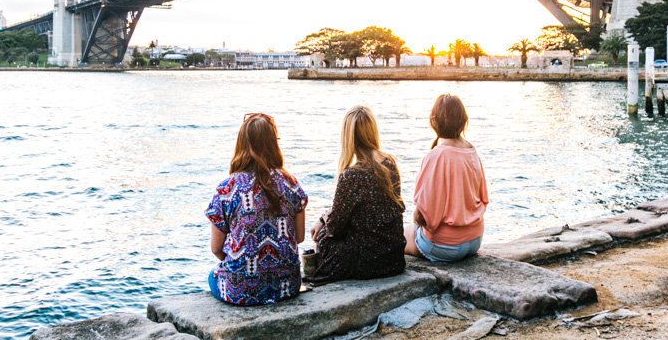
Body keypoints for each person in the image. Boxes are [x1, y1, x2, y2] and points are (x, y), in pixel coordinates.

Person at [205, 112, 308, 306]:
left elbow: (216, 248)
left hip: (241, 290)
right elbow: (299, 237)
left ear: (241, 144)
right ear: (273, 144)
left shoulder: (227, 189)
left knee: (213, 275)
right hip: (287, 286)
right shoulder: (292, 184)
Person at [306, 106, 406, 283]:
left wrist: (323, 222)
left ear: (348, 137)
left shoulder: (351, 176)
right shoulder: (389, 163)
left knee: (322, 238)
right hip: (393, 258)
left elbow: (335, 228)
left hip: (366, 262)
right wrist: (324, 218)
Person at [405, 94, 489, 262]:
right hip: (475, 240)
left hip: (445, 247)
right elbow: (483, 198)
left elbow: (422, 216)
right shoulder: (472, 152)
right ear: (463, 120)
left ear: (434, 121)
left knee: (397, 235)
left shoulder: (435, 156)